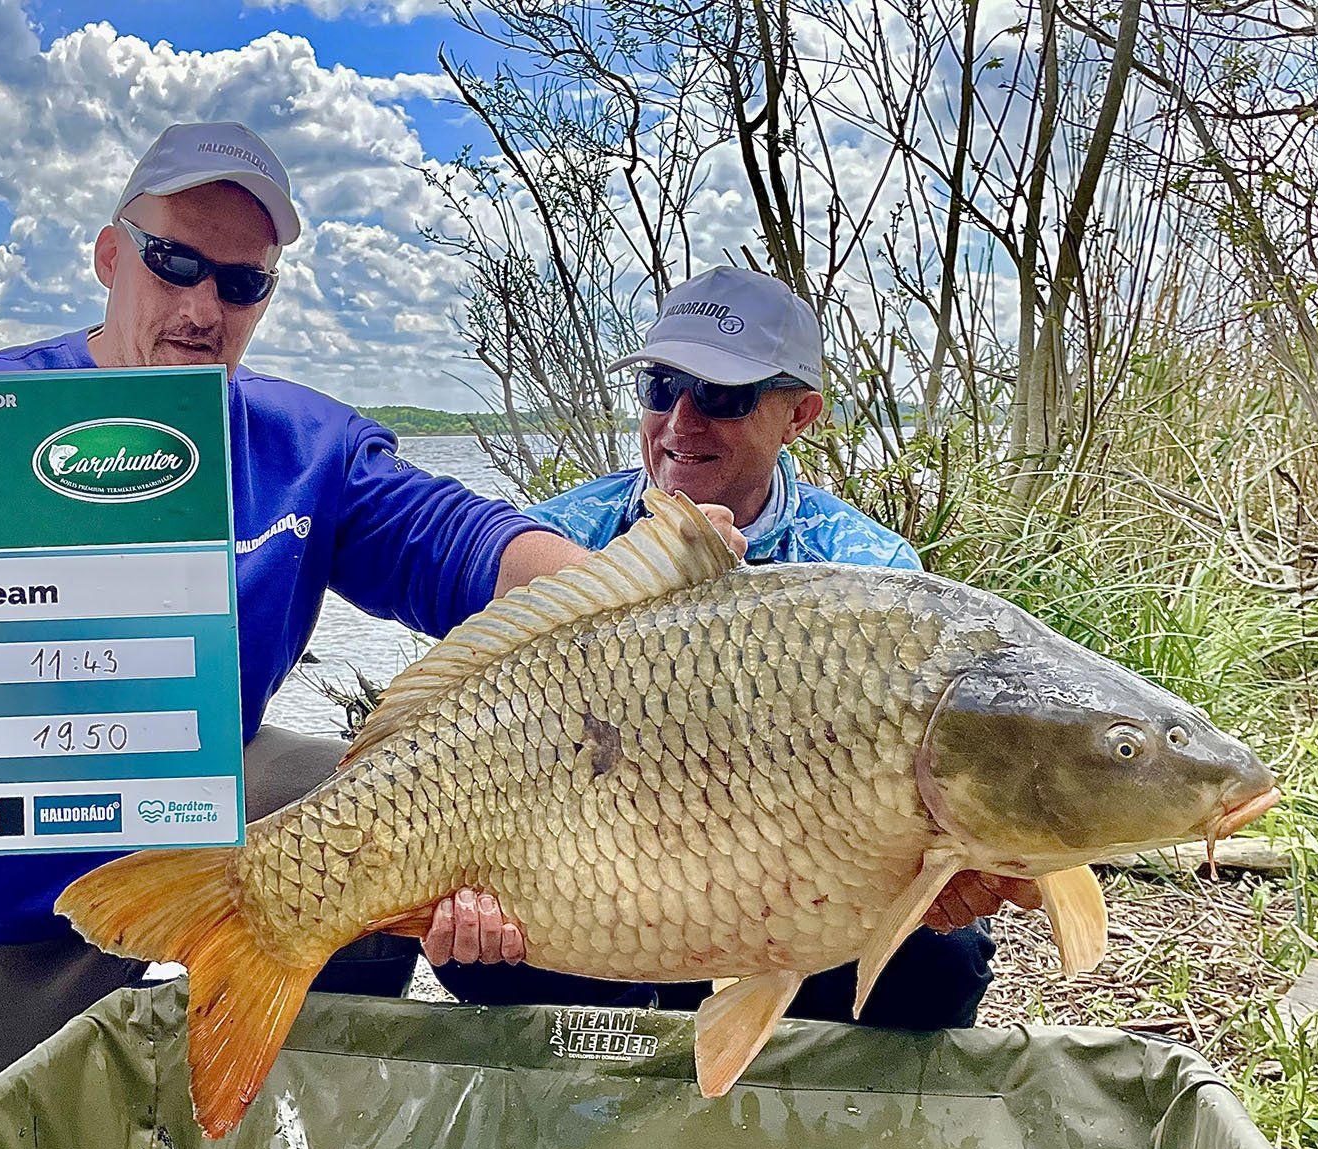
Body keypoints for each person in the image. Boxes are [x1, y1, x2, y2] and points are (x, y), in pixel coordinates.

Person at [0, 122, 733, 1138]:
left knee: (363, 810)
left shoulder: (303, 448)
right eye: (173, 263)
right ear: (110, 256)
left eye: (240, 283)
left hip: (194, 786)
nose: (202, 308)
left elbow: (464, 542)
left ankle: (279, 1128)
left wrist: (639, 590)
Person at [423, 266, 1043, 1028]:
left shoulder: (867, 571)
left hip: (794, 882)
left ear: (799, 415)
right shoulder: (552, 542)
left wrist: (939, 870)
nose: (682, 421)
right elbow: (452, 720)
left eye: (722, 397)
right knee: (471, 955)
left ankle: (803, 1105)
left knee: (938, 966)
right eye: (662, 387)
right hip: (586, 871)